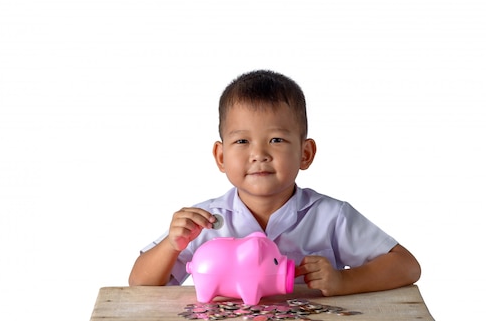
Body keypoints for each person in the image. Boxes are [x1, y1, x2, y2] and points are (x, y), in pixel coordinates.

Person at [129, 70, 421, 296]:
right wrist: (171, 244)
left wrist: (345, 280)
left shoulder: (331, 216)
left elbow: (406, 266)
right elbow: (139, 284)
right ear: (220, 156)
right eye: (242, 141)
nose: (259, 154)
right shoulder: (205, 222)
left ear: (305, 154)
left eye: (277, 140)